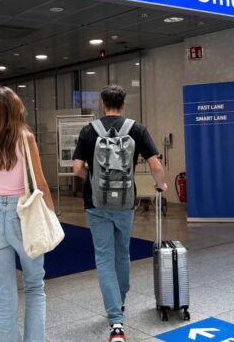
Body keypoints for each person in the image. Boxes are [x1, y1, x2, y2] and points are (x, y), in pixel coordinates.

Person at [73, 85, 167, 342]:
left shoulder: (88, 131)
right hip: (125, 203)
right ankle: (121, 300)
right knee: (122, 253)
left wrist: (92, 179)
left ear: (102, 104)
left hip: (96, 204)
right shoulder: (137, 129)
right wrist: (161, 184)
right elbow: (155, 164)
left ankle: (116, 322)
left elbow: (77, 169)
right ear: (123, 104)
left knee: (104, 259)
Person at [0, 85, 54, 342]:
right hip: (23, 214)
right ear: (15, 109)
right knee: (35, 287)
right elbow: (41, 182)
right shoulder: (25, 138)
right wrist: (50, 215)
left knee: (5, 295)